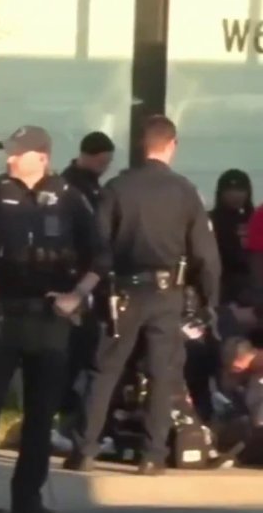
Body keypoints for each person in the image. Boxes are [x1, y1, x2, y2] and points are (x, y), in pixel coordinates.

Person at [0, 125, 104, 513]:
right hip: (2, 313)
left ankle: (28, 497)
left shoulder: (69, 199)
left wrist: (76, 295)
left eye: (18, 152)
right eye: (9, 152)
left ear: (41, 158)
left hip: (50, 316)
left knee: (40, 412)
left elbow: (100, 258)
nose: (10, 158)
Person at [65, 115, 220, 475]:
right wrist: (208, 300)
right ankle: (152, 455)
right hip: (168, 293)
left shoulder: (117, 188)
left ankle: (85, 448)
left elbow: (98, 246)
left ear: (141, 146)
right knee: (162, 372)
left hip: (123, 292)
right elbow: (205, 255)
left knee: (105, 370)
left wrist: (98, 289)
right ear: (172, 145)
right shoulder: (184, 191)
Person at [57, 132, 115, 443]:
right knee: (73, 352)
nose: (104, 168)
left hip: (93, 278)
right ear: (88, 155)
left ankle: (77, 416)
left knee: (87, 349)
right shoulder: (71, 187)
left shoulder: (94, 187)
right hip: (75, 277)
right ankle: (66, 416)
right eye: (102, 161)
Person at [210, 169, 253, 307]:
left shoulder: (256, 219)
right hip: (222, 284)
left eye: (240, 190)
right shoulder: (211, 220)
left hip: (253, 283)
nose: (236, 195)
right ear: (221, 193)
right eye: (230, 190)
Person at [60, 131, 115, 209]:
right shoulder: (70, 185)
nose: (105, 168)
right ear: (85, 156)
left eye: (108, 163)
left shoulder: (92, 182)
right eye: (101, 162)